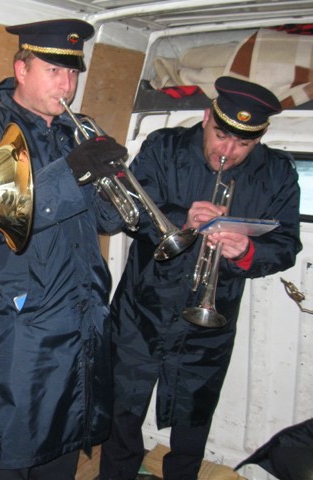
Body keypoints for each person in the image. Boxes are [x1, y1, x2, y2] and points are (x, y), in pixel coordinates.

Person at [99, 76, 302, 480]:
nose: (227, 151)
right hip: (142, 310)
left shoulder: (277, 172)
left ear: (259, 138)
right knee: (121, 410)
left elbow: (286, 244)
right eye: (221, 135)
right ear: (207, 117)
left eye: (243, 144)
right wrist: (181, 220)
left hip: (210, 320)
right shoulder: (163, 147)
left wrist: (247, 252)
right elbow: (131, 212)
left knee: (195, 418)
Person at [0, 18, 126, 479]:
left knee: (65, 442)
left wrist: (117, 181)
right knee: (13, 451)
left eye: (72, 74)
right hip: (22, 321)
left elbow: (109, 221)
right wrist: (74, 172)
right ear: (22, 69)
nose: (67, 85)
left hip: (80, 310)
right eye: (54, 71)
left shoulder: (79, 130)